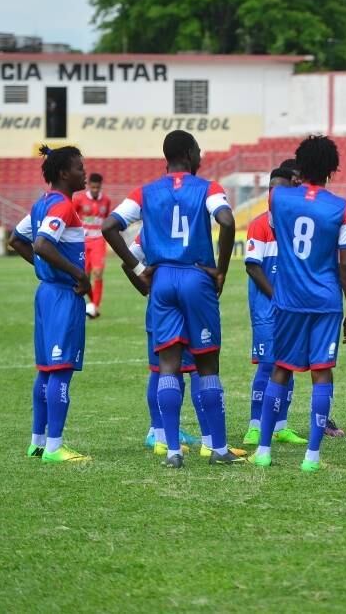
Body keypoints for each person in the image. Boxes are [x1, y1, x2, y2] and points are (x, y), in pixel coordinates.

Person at [102, 130, 242, 468]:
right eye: (199, 152)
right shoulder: (208, 187)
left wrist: (138, 268)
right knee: (206, 364)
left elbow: (109, 226)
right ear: (191, 153)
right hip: (196, 276)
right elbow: (226, 220)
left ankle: (173, 451)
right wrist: (220, 270)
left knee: (167, 365)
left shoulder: (146, 192)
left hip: (162, 278)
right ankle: (218, 449)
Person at [250, 135, 346, 473]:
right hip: (326, 300)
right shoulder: (343, 207)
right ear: (332, 170)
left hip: (289, 299)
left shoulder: (280, 197)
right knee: (321, 373)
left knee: (280, 369)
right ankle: (311, 456)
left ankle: (264, 450)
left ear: (299, 166)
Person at [7, 145, 91, 463]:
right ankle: (55, 447)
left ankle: (38, 442)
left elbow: (17, 239)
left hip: (45, 292)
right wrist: (75, 274)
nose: (84, 172)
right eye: (79, 168)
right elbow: (41, 244)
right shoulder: (63, 207)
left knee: (45, 370)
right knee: (60, 370)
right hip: (61, 296)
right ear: (63, 173)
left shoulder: (41, 204)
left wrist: (46, 270)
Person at [125, 234, 211, 457]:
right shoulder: (184, 223)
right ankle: (206, 440)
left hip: (165, 303)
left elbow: (129, 260)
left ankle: (161, 434)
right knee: (193, 369)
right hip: (182, 304)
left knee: (164, 369)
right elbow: (129, 260)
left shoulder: (155, 226)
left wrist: (148, 291)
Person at [242, 161, 307, 447]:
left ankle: (280, 425)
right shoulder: (259, 224)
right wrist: (278, 296)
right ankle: (255, 425)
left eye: (278, 190)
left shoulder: (299, 225)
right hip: (267, 307)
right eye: (270, 190)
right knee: (268, 365)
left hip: (293, 307)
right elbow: (253, 267)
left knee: (288, 364)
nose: (273, 195)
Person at [72, 173, 111, 319]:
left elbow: (105, 219)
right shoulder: (79, 199)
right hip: (82, 241)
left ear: (101, 186)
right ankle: (93, 305)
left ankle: (95, 306)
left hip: (99, 241)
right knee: (84, 276)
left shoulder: (106, 201)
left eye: (97, 187)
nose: (95, 189)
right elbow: (71, 214)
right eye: (93, 187)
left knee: (98, 272)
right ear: (89, 186)